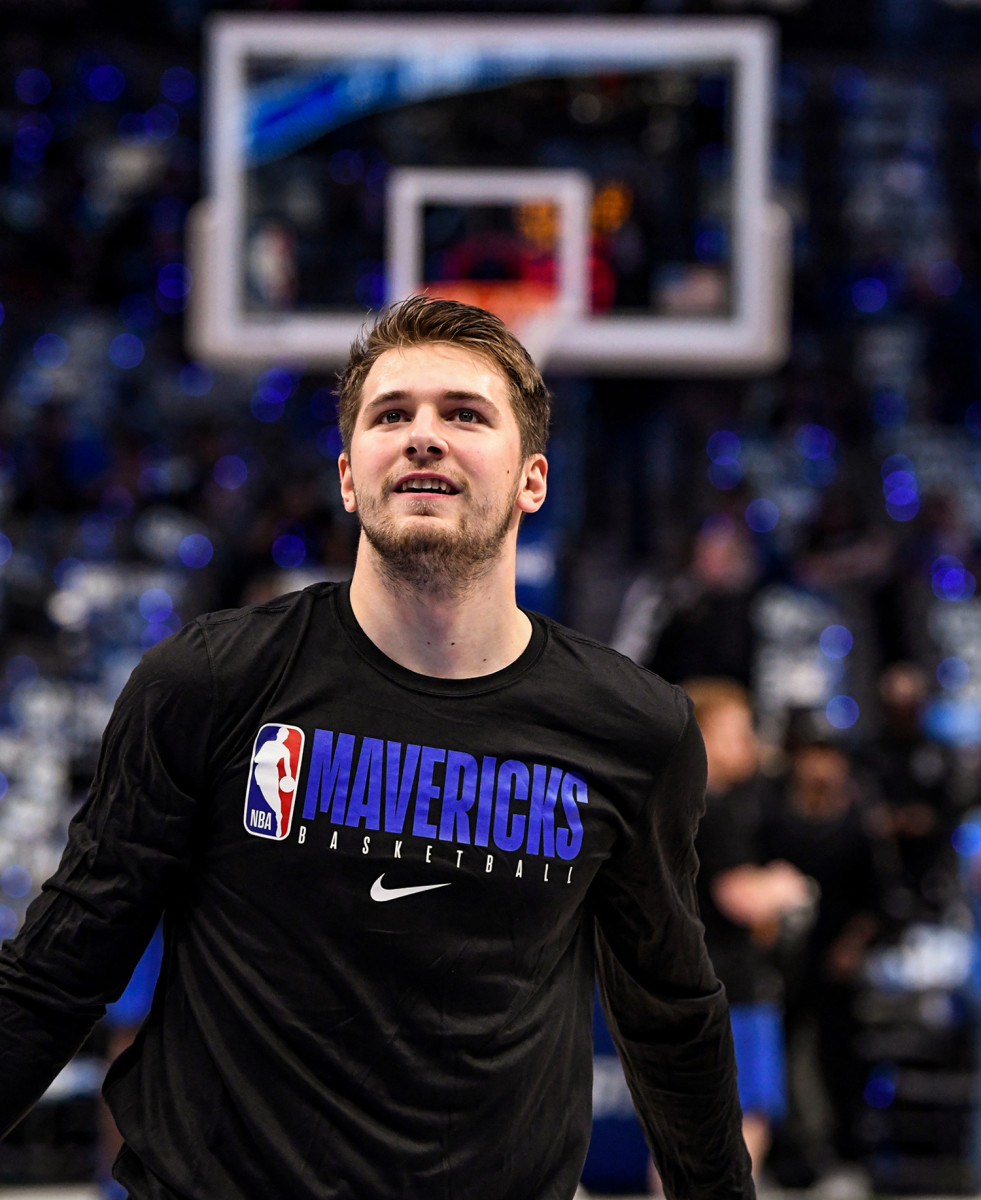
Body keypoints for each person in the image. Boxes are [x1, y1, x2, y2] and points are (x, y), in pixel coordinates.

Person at [0, 296, 753, 1200]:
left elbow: (668, 1015)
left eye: (465, 415)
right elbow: (57, 970)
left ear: (531, 479)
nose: (423, 436)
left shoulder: (633, 731)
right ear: (351, 476)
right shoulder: (209, 681)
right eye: (390, 414)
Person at [682, 678, 812, 1182]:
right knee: (742, 1115)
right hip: (730, 986)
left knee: (683, 1122)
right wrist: (785, 886)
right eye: (738, 733)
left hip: (684, 980)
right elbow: (739, 896)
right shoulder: (717, 809)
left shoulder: (670, 807)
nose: (750, 744)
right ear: (704, 738)